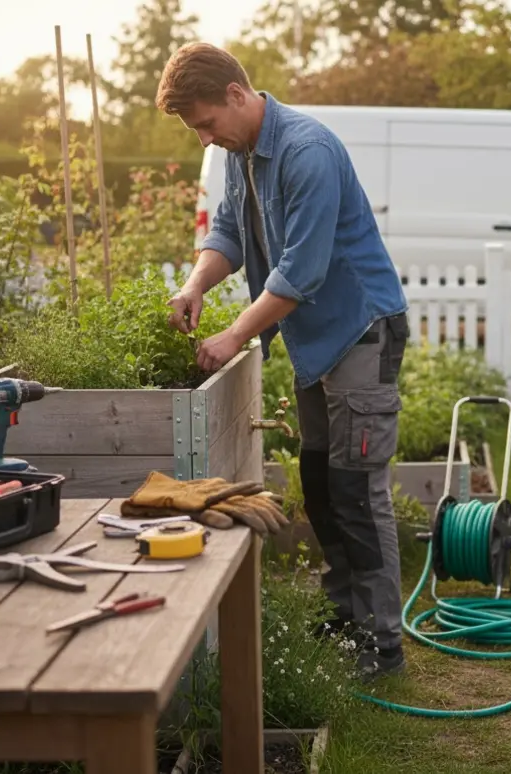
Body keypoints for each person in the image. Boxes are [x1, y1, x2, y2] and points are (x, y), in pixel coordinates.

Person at [156, 42, 410, 680]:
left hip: (359, 334)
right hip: (313, 343)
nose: (207, 140)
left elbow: (302, 270)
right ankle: (345, 612)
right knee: (322, 485)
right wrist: (194, 287)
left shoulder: (306, 151)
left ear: (237, 95)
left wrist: (234, 336)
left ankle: (384, 643)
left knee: (358, 491)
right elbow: (229, 237)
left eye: (207, 123)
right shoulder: (243, 154)